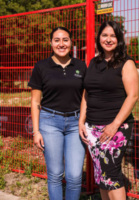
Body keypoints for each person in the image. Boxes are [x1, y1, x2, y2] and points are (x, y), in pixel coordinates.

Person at [79, 21, 139, 200]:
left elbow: (133, 96)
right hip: (92, 126)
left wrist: (114, 125)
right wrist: (81, 121)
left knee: (111, 174)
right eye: (105, 35)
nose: (108, 39)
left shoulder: (126, 63)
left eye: (113, 36)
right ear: (99, 38)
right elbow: (87, 93)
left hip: (116, 127)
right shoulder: (93, 62)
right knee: (101, 175)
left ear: (119, 39)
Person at [29, 27, 86, 200]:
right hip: (49, 123)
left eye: (65, 40)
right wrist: (36, 131)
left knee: (75, 176)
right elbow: (35, 101)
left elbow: (86, 97)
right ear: (51, 43)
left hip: (76, 123)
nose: (61, 44)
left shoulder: (81, 66)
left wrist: (82, 121)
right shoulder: (41, 67)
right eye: (57, 40)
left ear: (71, 42)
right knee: (55, 174)